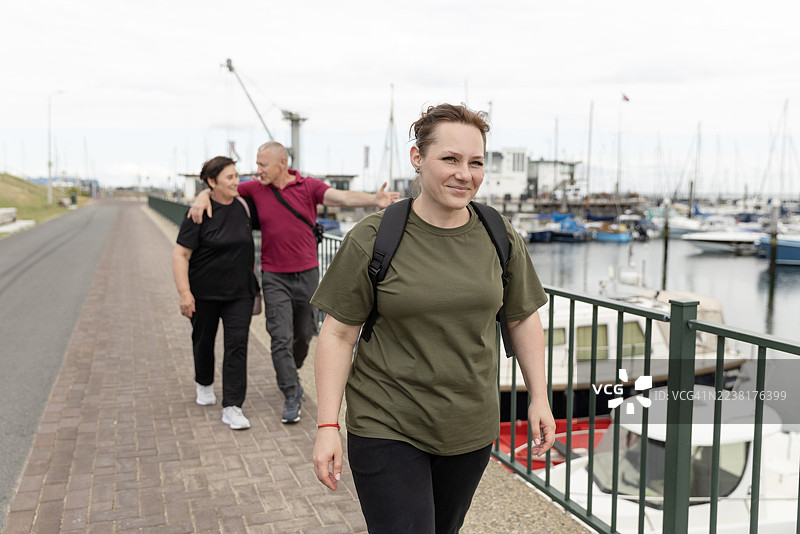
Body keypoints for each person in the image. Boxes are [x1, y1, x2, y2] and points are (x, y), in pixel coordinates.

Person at [310, 103, 556, 533]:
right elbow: (337, 335)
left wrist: (539, 397)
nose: (465, 173)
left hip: (469, 428)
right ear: (418, 158)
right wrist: (328, 424)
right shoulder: (374, 236)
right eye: (450, 159)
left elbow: (521, 319)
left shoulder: (498, 233)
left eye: (475, 162)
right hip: (387, 422)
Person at [189, 142, 399, 424]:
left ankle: (291, 368)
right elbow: (219, 189)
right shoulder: (254, 188)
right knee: (280, 337)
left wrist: (374, 200)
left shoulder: (308, 185)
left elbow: (339, 198)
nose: (257, 170)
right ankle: (291, 392)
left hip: (308, 273)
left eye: (262, 164)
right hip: (274, 275)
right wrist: (202, 196)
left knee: (305, 332)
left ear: (282, 164)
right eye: (256, 164)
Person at [172, 156, 259, 430]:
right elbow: (180, 255)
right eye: (230, 177)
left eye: (237, 176)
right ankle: (204, 382)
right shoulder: (198, 213)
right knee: (203, 340)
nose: (236, 182)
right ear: (212, 182)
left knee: (237, 346)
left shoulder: (245, 206)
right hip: (204, 293)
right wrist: (185, 293)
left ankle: (232, 406)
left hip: (240, 293)